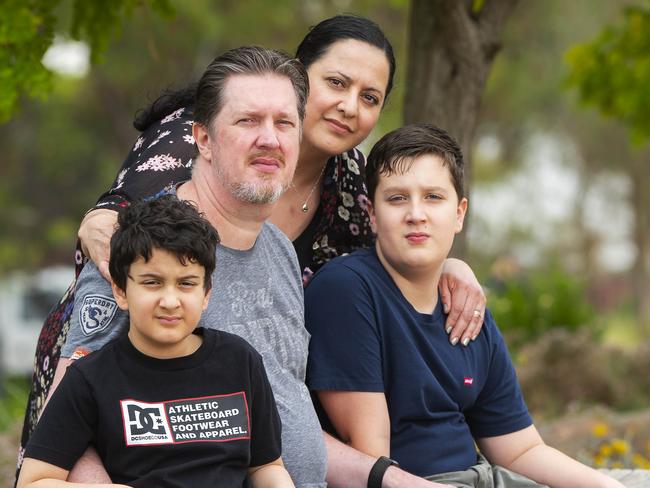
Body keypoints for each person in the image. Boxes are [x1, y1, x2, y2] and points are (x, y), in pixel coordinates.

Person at [20, 14, 486, 477]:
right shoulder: (150, 251)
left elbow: (283, 417)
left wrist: (447, 266)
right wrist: (102, 223)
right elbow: (65, 438)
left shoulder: (295, 236)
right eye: (249, 121)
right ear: (201, 137)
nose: (270, 137)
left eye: (284, 123)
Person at [304, 124, 624, 488]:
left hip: (488, 477)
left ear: (459, 213)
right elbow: (372, 460)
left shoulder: (465, 306)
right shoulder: (346, 290)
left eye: (433, 197)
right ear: (372, 216)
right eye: (396, 199)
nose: (416, 214)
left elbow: (519, 450)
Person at [17, 196, 294, 488]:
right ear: (121, 290)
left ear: (206, 294)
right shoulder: (90, 378)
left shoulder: (240, 360)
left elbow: (267, 467)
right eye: (152, 282)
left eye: (186, 283)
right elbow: (34, 481)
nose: (170, 301)